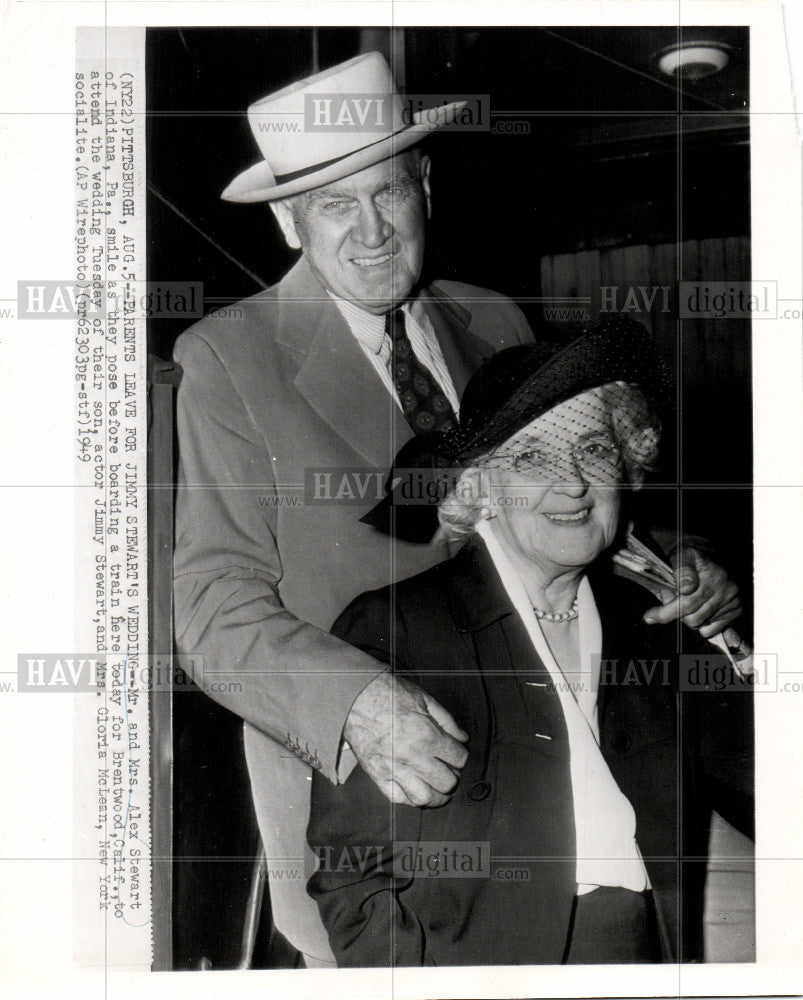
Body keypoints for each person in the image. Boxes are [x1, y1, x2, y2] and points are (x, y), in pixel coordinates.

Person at [172, 52, 742, 964]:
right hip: (382, 794)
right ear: (286, 219)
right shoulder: (229, 360)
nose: (370, 232)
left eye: (388, 193)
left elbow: (553, 499)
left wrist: (669, 561)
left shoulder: (494, 322)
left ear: (425, 186)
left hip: (559, 762)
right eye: (333, 204)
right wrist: (361, 701)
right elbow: (211, 612)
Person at [306, 316, 753, 966]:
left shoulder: (651, 626)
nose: (572, 483)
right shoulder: (402, 630)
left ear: (627, 464)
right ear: (477, 485)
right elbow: (356, 883)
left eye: (595, 450)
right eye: (532, 458)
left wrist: (739, 646)